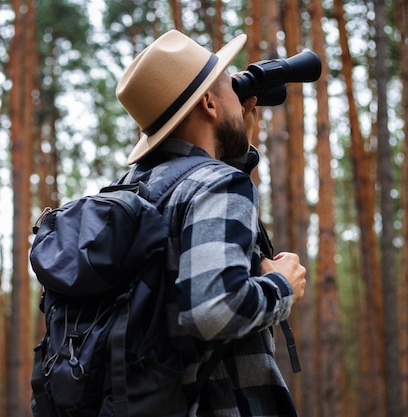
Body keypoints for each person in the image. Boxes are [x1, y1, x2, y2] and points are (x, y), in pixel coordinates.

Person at [115, 29, 307, 417]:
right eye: (228, 86)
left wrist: (234, 146)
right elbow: (214, 311)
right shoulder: (220, 186)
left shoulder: (130, 189)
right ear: (208, 103)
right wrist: (281, 285)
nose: (240, 95)